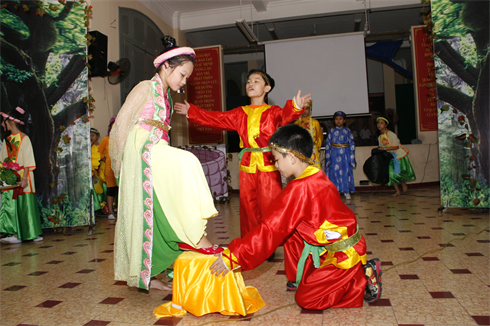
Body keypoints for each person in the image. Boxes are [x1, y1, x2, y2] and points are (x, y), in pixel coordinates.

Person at [209, 124, 382, 309]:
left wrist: (234, 257)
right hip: (334, 240)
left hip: (343, 254)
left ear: (291, 157)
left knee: (307, 300)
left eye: (276, 159)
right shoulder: (316, 173)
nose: (275, 165)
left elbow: (270, 229)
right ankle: (301, 277)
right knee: (292, 234)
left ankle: (362, 276)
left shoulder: (299, 188)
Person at [109, 35, 222, 292]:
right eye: (182, 75)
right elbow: (122, 124)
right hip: (142, 148)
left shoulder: (166, 96)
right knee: (188, 161)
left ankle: (154, 270)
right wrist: (123, 164)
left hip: (156, 147)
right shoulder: (144, 87)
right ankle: (196, 235)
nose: (183, 82)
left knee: (163, 204)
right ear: (166, 66)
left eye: (186, 78)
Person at [174, 69, 310, 238]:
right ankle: (251, 242)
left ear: (267, 88)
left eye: (256, 81)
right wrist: (192, 111)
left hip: (268, 164)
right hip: (247, 165)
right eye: (248, 82)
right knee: (248, 207)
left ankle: (269, 241)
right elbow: (217, 118)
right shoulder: (240, 113)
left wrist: (296, 106)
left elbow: (285, 116)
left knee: (270, 205)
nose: (250, 84)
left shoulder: (273, 111)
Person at [0, 107, 43, 244]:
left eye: (4, 121)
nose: (2, 124)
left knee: (26, 204)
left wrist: (24, 178)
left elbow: (28, 160)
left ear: (12, 122)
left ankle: (31, 232)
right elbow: (3, 160)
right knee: (11, 205)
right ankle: (14, 233)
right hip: (10, 179)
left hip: (24, 179)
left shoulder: (24, 139)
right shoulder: (7, 140)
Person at [376, 116, 416, 196]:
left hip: (398, 156)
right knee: (391, 174)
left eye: (381, 123)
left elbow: (396, 146)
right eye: (378, 123)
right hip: (390, 157)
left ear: (386, 125)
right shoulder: (380, 137)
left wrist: (384, 148)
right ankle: (397, 191)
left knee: (398, 173)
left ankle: (403, 182)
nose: (379, 125)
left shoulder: (391, 134)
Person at [325, 111, 356, 200]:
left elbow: (352, 144)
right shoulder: (331, 131)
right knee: (334, 172)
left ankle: (346, 191)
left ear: (344, 120)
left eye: (340, 119)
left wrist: (352, 157)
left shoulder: (348, 131)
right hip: (334, 154)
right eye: (336, 119)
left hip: (345, 155)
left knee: (346, 172)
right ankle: (334, 191)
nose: (338, 121)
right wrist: (328, 158)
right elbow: (328, 145)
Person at [294, 100, 323, 169]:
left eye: (307, 108)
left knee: (314, 170)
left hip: (313, 150)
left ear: (310, 109)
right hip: (300, 150)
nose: (305, 111)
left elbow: (319, 136)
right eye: (303, 108)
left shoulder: (315, 123)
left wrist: (317, 147)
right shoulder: (297, 123)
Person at [98, 116, 117, 220]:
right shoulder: (106, 139)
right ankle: (110, 212)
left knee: (120, 191)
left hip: (120, 169)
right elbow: (99, 152)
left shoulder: (122, 140)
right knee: (110, 190)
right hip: (110, 170)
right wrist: (104, 159)